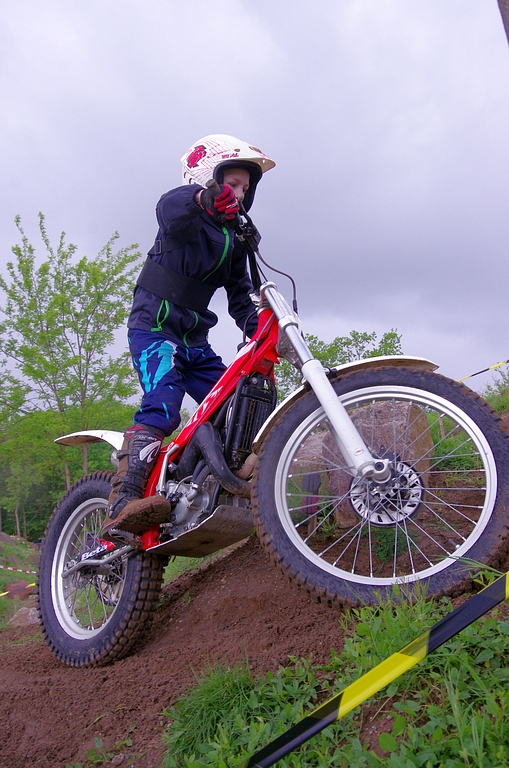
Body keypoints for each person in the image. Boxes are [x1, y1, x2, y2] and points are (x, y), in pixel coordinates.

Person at [102, 134, 275, 539]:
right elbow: (171, 207)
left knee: (238, 404)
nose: (239, 193)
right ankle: (124, 499)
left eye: (246, 188)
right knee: (164, 406)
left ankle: (210, 484)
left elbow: (240, 298)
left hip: (195, 343)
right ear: (209, 177)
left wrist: (263, 330)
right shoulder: (183, 213)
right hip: (154, 330)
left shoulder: (234, 240)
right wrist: (204, 199)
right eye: (233, 184)